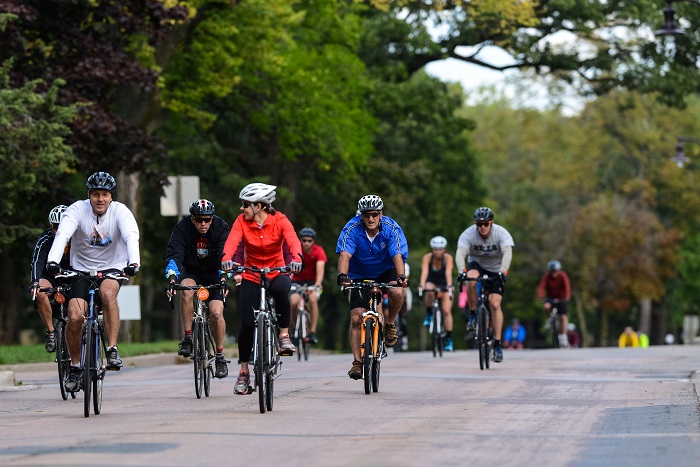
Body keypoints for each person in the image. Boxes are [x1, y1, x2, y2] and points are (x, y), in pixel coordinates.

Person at [46, 172, 140, 391]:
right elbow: (63, 235)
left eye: (105, 194)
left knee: (108, 294)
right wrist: (53, 260)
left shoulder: (120, 212)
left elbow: (130, 236)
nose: (100, 199)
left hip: (113, 267)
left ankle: (113, 349)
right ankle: (76, 366)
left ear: (111, 196)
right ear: (89, 195)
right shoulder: (77, 210)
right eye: (96, 194)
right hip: (82, 270)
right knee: (75, 316)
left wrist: (134, 262)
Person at [220, 183, 302, 395]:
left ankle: (284, 336)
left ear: (259, 206)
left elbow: (292, 240)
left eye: (245, 204)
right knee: (247, 323)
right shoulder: (241, 222)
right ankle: (244, 372)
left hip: (276, 270)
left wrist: (296, 258)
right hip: (251, 273)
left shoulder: (280, 220)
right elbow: (232, 242)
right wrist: (227, 259)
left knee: (283, 289)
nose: (242, 208)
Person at [336, 195, 409, 380]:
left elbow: (397, 256)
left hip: (386, 270)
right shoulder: (352, 228)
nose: (370, 219)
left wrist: (401, 277)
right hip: (359, 273)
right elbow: (344, 255)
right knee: (355, 318)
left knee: (398, 291)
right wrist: (343, 276)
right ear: (361, 215)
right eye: (367, 215)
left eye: (374, 215)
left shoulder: (391, 228)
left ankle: (391, 324)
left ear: (380, 214)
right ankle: (357, 363)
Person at [165, 199, 231, 378]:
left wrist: (225, 276)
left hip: (215, 272)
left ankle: (219, 355)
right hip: (192, 271)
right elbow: (174, 255)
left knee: (216, 312)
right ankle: (187, 338)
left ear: (212, 218)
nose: (203, 224)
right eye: (199, 219)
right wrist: (171, 277)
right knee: (186, 291)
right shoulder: (182, 227)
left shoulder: (220, 227)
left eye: (207, 220)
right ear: (192, 219)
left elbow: (226, 255)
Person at [456, 207, 514, 363]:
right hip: (477, 265)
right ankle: (473, 314)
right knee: (470, 278)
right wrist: (461, 270)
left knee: (495, 304)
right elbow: (461, 253)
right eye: (479, 224)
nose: (482, 227)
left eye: (485, 224)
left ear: (491, 223)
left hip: (497, 269)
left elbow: (507, 252)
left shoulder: (501, 233)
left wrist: (503, 271)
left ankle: (497, 344)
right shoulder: (468, 234)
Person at [29, 205, 71, 352]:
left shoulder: (79, 237)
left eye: (63, 227)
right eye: (55, 227)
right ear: (50, 225)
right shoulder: (45, 238)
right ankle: (51, 332)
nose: (58, 231)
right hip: (52, 277)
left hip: (74, 277)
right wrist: (35, 281)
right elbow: (37, 261)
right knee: (39, 291)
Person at [289, 227, 327, 345]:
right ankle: (296, 329)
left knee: (313, 299)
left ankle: (312, 332)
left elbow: (320, 269)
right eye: (304, 240)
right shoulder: (296, 250)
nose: (306, 243)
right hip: (296, 281)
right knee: (294, 301)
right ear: (300, 240)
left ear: (313, 241)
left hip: (312, 282)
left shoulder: (318, 251)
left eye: (309, 241)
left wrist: (318, 284)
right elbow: (289, 267)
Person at [419, 236, 455, 351]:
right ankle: (429, 313)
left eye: (440, 249)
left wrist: (449, 286)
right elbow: (424, 271)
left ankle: (449, 339)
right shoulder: (427, 258)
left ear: (444, 249)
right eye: (435, 249)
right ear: (432, 249)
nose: (438, 251)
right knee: (429, 289)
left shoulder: (448, 258)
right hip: (432, 282)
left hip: (445, 283)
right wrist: (422, 284)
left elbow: (448, 272)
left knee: (446, 311)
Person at [537, 260, 571, 348]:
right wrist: (540, 296)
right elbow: (541, 287)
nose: (553, 273)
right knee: (546, 306)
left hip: (562, 298)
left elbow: (567, 287)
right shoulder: (546, 277)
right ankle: (549, 319)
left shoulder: (563, 276)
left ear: (559, 270)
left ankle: (563, 337)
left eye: (555, 271)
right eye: (552, 271)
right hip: (550, 298)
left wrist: (567, 297)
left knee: (563, 317)